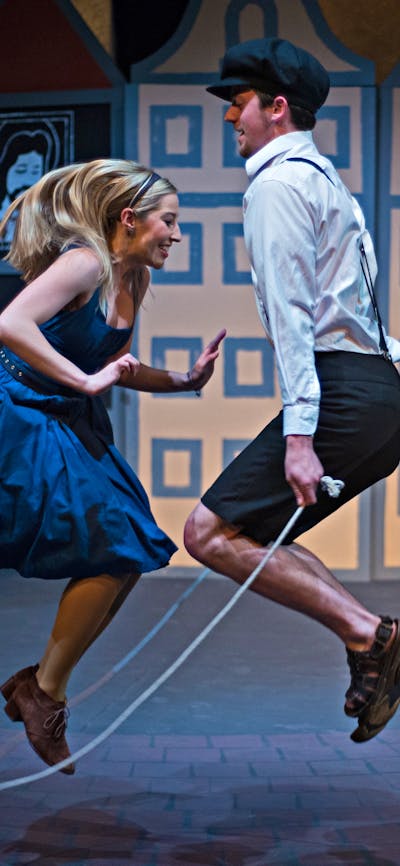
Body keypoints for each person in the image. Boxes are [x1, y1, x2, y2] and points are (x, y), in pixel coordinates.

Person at [184, 37, 400, 744]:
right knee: (246, 532)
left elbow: (293, 315)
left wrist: (300, 436)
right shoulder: (326, 181)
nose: (229, 119)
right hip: (375, 392)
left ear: (278, 108)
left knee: (207, 534)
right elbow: (363, 310)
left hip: (342, 392)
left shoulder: (276, 186)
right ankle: (374, 640)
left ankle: (371, 635)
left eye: (238, 103)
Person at [0, 158, 225, 774]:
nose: (176, 235)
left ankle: (41, 688)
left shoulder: (129, 279)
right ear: (129, 219)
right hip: (22, 411)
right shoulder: (87, 262)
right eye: (169, 222)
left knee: (129, 546)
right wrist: (85, 380)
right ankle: (42, 691)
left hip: (68, 415)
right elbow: (10, 324)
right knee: (114, 542)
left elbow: (118, 365)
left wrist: (183, 380)